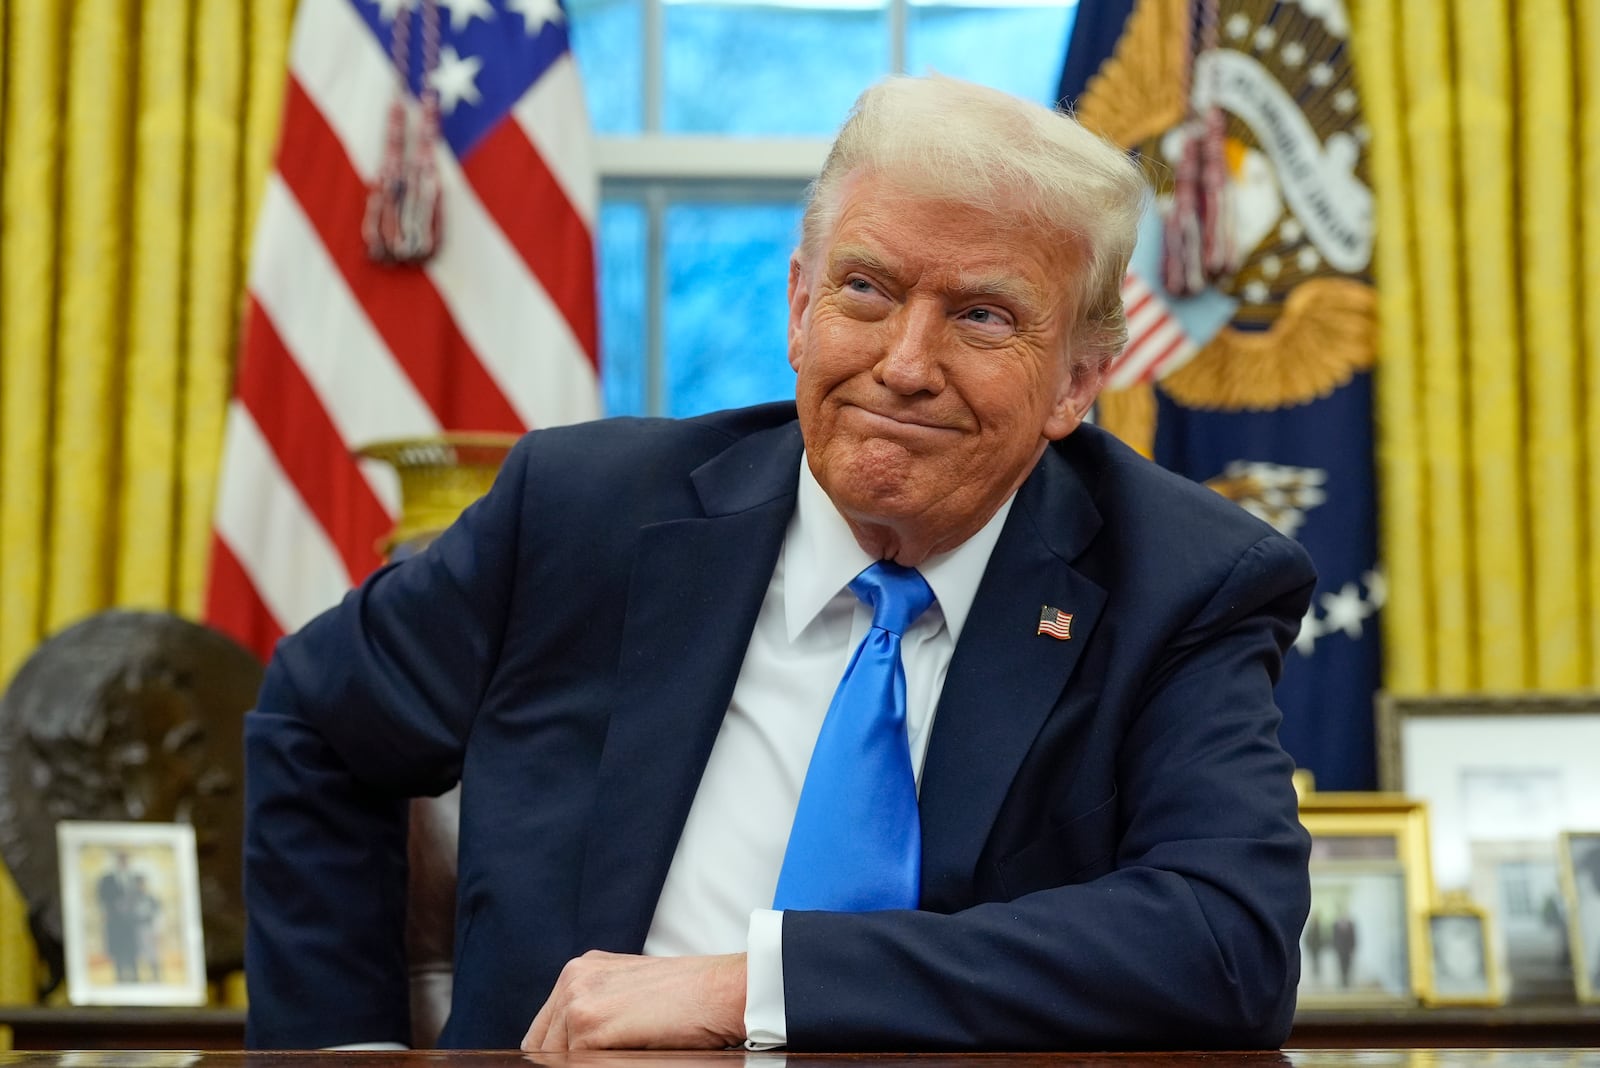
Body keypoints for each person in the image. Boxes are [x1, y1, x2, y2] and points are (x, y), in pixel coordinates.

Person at [244, 74, 1314, 1052]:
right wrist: (348, 1056)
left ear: (1078, 381)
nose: (905, 365)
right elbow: (313, 724)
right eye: (866, 291)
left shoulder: (1182, 583)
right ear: (798, 306)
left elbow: (1225, 942)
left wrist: (752, 985)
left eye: (980, 317)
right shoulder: (584, 515)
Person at [96, 852, 139, 982]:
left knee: (132, 949)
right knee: (118, 949)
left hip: (131, 921)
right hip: (115, 921)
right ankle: (119, 976)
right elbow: (102, 897)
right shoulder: (108, 879)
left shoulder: (132, 878)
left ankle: (134, 976)